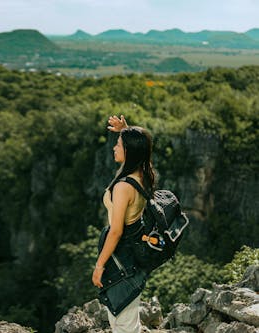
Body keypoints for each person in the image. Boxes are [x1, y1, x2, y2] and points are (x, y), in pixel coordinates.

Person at [91, 115, 155, 333]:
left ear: (129, 152)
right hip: (131, 254)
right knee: (122, 318)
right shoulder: (143, 173)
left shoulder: (123, 187)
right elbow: (142, 152)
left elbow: (116, 231)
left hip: (122, 258)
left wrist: (99, 266)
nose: (114, 148)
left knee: (123, 324)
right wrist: (126, 131)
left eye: (118, 144)